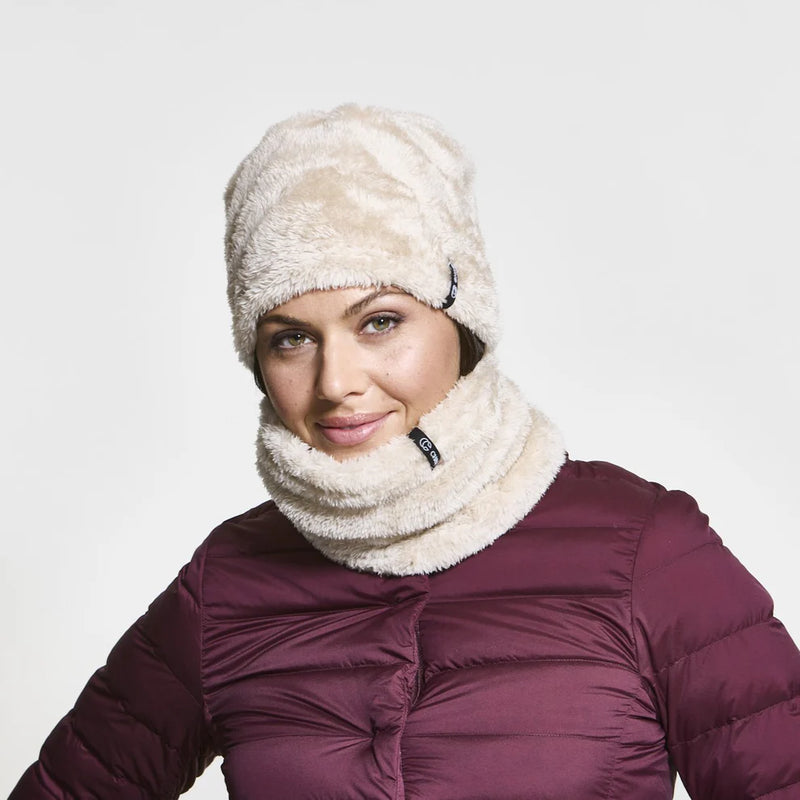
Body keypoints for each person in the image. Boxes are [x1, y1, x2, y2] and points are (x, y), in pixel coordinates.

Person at [11, 104, 800, 799]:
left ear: (462, 316)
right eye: (291, 339)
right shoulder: (228, 584)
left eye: (380, 321)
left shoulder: (643, 546)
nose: (337, 382)